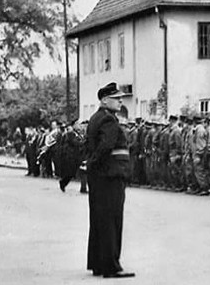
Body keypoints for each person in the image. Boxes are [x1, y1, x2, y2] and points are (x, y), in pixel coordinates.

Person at [85, 82, 134, 279]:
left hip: (99, 177)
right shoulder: (109, 121)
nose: (121, 101)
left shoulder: (96, 118)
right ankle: (111, 266)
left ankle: (98, 263)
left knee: (99, 220)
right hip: (110, 175)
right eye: (117, 98)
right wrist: (96, 163)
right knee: (112, 220)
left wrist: (91, 165)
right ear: (105, 100)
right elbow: (106, 147)